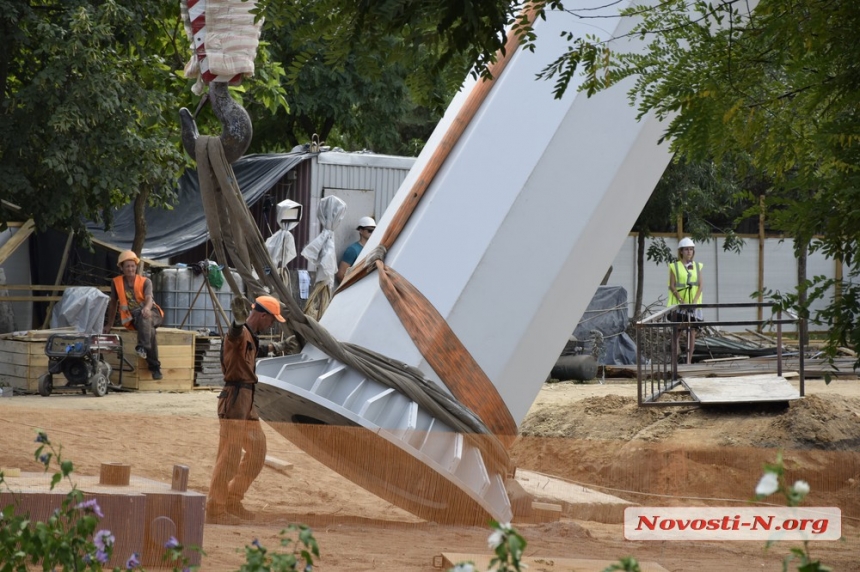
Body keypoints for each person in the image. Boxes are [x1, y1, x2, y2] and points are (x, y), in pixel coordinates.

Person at [206, 294, 287, 524]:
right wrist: (237, 322)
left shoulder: (251, 336)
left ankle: (232, 499)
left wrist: (276, 346)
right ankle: (216, 509)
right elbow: (234, 337)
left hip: (247, 400)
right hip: (234, 400)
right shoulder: (240, 333)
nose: (272, 324)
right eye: (272, 320)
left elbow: (251, 351)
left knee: (258, 451)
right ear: (262, 315)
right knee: (229, 456)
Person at [104, 250, 164, 379]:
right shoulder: (116, 282)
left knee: (145, 318)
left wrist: (147, 308)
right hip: (135, 318)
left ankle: (143, 346)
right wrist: (109, 324)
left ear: (136, 266)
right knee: (150, 331)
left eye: (132, 266)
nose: (130, 269)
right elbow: (113, 303)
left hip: (152, 313)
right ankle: (155, 367)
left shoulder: (145, 281)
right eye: (127, 266)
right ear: (121, 268)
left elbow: (149, 298)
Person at [667, 237, 704, 364]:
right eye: (686, 249)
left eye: (691, 249)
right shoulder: (674, 266)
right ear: (681, 251)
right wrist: (680, 300)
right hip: (678, 305)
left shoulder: (698, 266)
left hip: (694, 305)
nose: (689, 252)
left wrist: (694, 301)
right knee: (676, 331)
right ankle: (674, 360)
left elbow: (700, 285)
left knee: (692, 332)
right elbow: (672, 285)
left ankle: (688, 361)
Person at [335, 216, 376, 282]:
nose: (373, 233)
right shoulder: (352, 250)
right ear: (361, 231)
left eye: (375, 230)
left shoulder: (373, 248)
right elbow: (341, 275)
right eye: (370, 230)